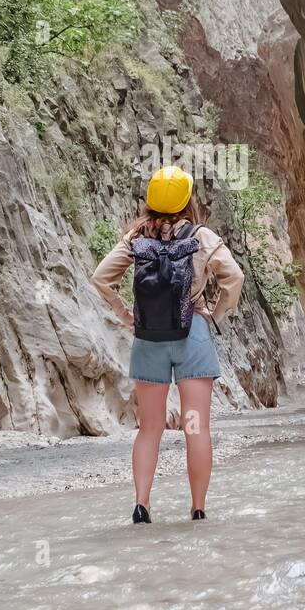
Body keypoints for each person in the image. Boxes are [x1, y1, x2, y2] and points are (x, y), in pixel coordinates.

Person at [91, 166, 244, 524]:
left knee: (149, 428)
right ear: (188, 200)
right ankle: (198, 509)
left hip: (149, 339)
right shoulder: (202, 237)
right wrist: (215, 316)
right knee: (196, 427)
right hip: (192, 338)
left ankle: (142, 505)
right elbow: (233, 278)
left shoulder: (136, 237)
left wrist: (124, 313)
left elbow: (101, 278)